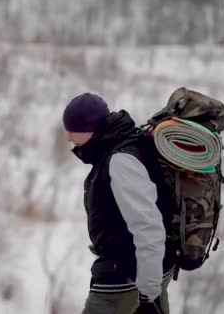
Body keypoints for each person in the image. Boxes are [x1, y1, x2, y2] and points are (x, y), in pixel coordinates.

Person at [62, 93, 176, 314]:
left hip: (125, 280)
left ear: (89, 128)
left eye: (72, 130)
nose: (68, 137)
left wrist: (149, 296)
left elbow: (148, 227)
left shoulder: (121, 161)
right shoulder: (122, 144)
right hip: (145, 271)